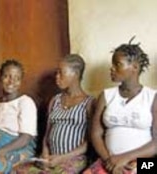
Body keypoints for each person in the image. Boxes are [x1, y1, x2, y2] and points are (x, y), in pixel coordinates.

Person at [83, 39, 157, 174]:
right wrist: (110, 161)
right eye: (112, 64)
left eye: (117, 64)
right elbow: (96, 134)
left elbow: (156, 143)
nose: (112, 68)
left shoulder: (152, 97)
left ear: (134, 67)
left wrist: (125, 158)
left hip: (144, 163)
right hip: (109, 161)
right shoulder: (106, 96)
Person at [14, 54, 95, 174]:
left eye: (61, 73)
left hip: (75, 159)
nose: (57, 77)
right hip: (51, 157)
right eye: (57, 73)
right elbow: (47, 134)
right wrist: (45, 154)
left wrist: (63, 158)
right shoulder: (55, 100)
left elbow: (89, 142)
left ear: (75, 74)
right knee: (17, 171)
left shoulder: (89, 103)